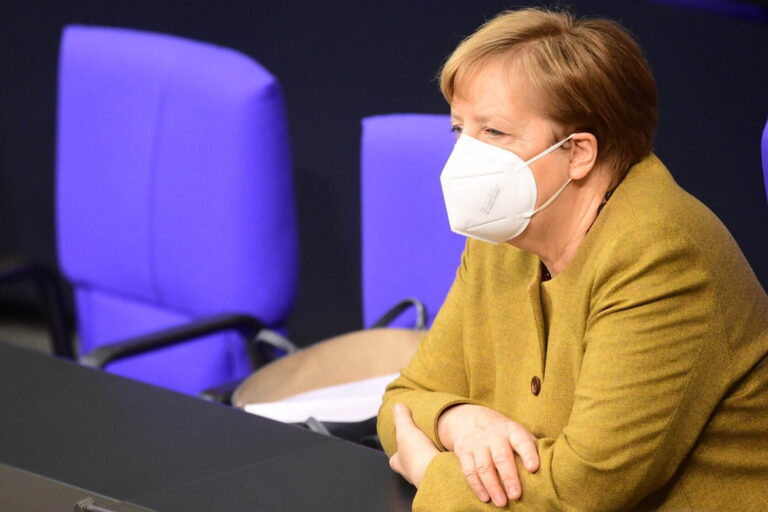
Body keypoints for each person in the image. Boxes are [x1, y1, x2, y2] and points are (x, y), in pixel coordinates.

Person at [377, 7, 768, 511]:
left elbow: (581, 491)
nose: (464, 158)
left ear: (579, 151)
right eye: (459, 129)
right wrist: (459, 420)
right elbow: (403, 400)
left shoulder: (663, 255)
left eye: (493, 132)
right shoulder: (503, 234)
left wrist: (430, 470)